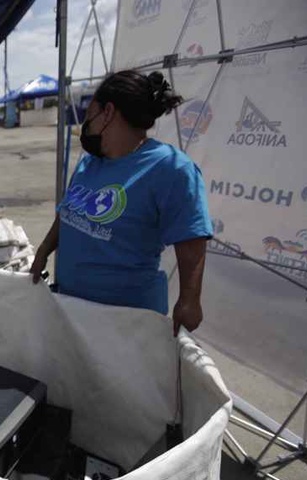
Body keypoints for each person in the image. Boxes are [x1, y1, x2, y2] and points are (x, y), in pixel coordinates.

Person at [29, 71, 212, 336]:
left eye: (89, 116)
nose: (85, 126)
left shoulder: (170, 168)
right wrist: (45, 248)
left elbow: (191, 238)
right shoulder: (90, 163)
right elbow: (67, 214)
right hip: (73, 312)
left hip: (127, 324)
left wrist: (189, 299)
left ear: (108, 112)